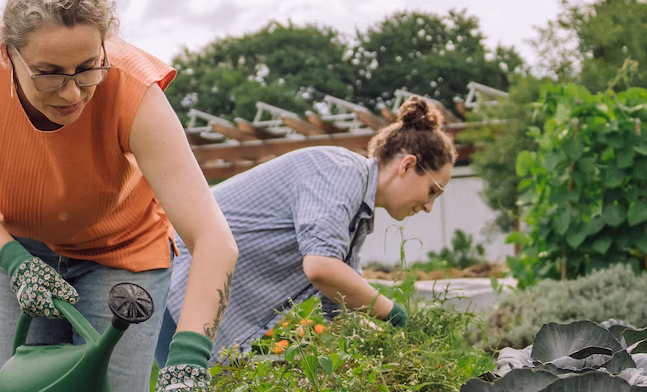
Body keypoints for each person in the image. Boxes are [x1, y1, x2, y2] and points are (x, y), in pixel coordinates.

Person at [0, 0, 238, 392]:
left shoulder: (134, 90)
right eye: (49, 72)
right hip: (16, 245)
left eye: (87, 68)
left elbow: (212, 238)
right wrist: (12, 259)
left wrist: (187, 364)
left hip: (119, 254)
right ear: (9, 55)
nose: (73, 92)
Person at [163, 95, 456, 358]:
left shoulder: (358, 215)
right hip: (180, 287)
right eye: (432, 191)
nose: (429, 207)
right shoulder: (340, 172)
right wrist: (397, 316)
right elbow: (322, 268)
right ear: (407, 165)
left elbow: (337, 299)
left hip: (200, 306)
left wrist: (383, 349)